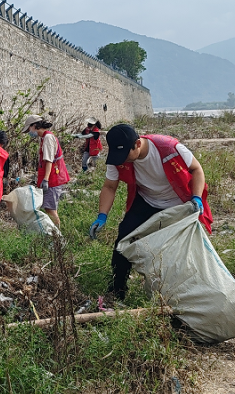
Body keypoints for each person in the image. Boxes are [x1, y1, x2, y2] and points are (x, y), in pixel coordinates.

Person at [89, 124, 210, 300]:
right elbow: (109, 186)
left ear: (137, 144)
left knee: (180, 249)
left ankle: (185, 294)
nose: (122, 160)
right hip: (147, 200)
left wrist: (197, 198)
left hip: (177, 203)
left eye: (125, 155)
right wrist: (102, 215)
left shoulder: (168, 147)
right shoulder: (118, 158)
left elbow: (196, 169)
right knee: (124, 238)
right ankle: (117, 290)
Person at [23, 114, 69, 228]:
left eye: (29, 129)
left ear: (35, 126)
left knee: (50, 209)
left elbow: (49, 160)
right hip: (52, 177)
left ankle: (57, 235)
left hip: (53, 178)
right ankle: (55, 233)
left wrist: (45, 180)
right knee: (49, 208)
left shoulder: (48, 138)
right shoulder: (44, 137)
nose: (29, 132)